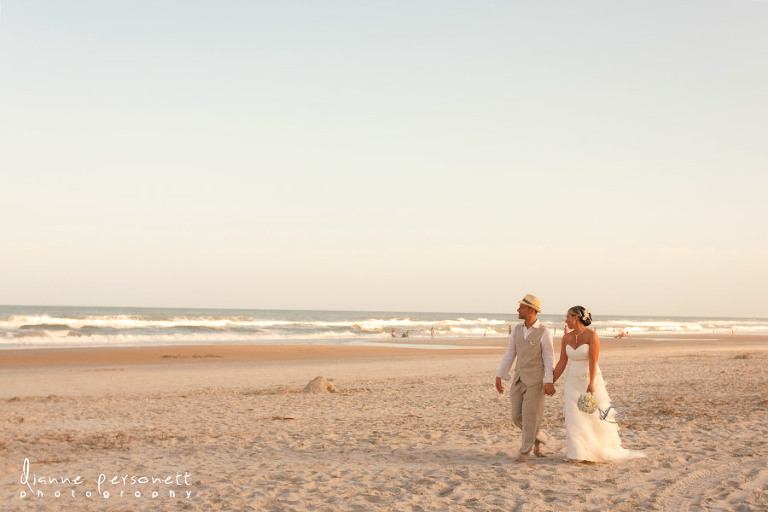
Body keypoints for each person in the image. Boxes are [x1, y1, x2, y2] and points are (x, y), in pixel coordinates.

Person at [552, 306, 645, 462]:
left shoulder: (591, 335)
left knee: (595, 415)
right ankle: (578, 453)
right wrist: (550, 382)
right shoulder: (566, 338)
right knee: (574, 416)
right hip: (572, 381)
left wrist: (592, 382)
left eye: (568, 317)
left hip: (590, 379)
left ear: (575, 318)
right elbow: (562, 362)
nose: (566, 320)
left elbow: (593, 360)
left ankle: (599, 449)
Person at [495, 294, 556, 462]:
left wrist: (549, 381)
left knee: (530, 417)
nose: (518, 310)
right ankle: (539, 436)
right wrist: (500, 375)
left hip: (536, 381)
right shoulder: (516, 329)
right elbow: (510, 353)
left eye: (521, 307)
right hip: (519, 378)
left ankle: (525, 451)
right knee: (516, 417)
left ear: (531, 310)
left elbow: (549, 357)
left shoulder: (544, 332)